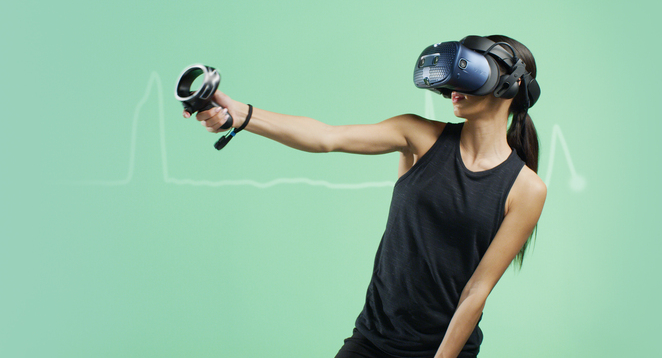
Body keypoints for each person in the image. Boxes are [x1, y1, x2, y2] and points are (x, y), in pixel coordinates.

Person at [183, 35, 547, 358]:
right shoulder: (418, 135)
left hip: (445, 348)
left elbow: (476, 291)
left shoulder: (526, 189)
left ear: (510, 86)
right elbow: (326, 137)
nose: (454, 82)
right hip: (373, 340)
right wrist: (240, 114)